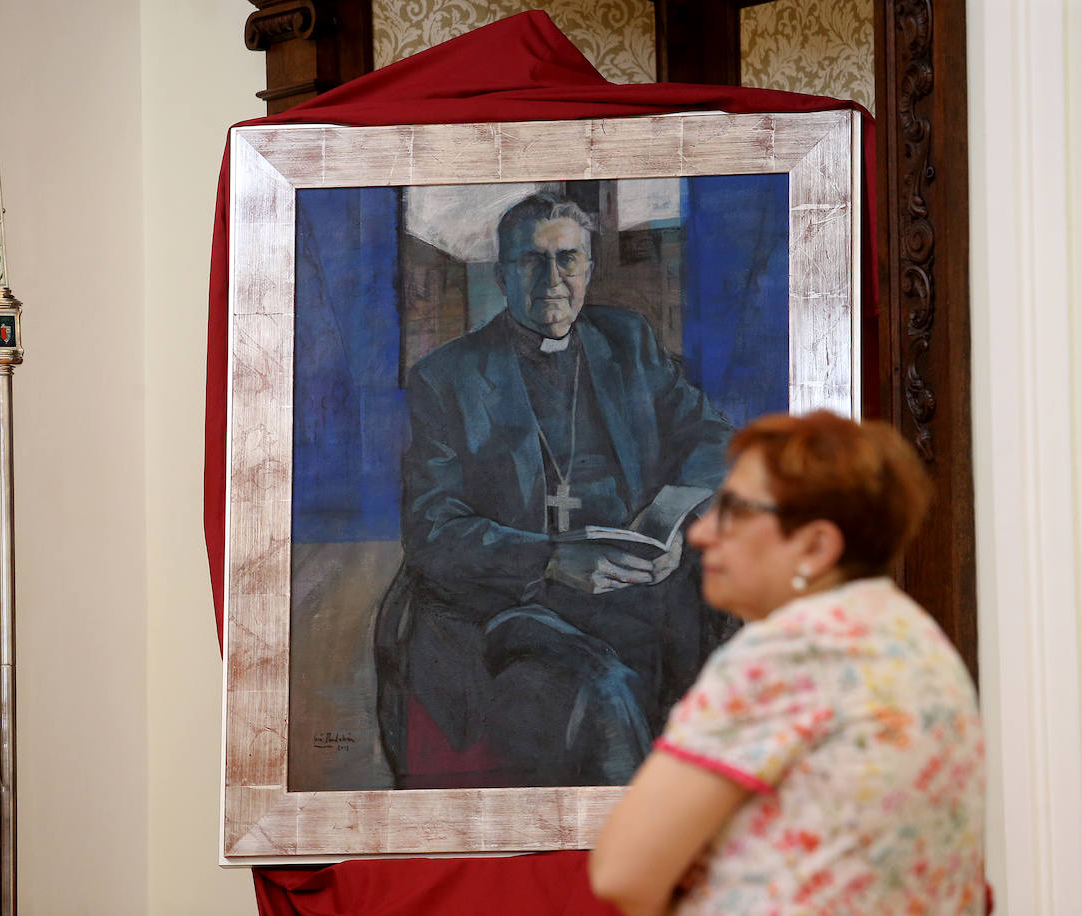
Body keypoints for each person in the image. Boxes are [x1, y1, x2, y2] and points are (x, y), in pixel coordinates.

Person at [375, 192, 734, 788]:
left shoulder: (628, 343)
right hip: (514, 603)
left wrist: (668, 518)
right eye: (530, 262)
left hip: (636, 581)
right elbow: (432, 531)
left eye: (567, 259)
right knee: (604, 692)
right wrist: (550, 560)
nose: (552, 280)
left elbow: (715, 437)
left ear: (589, 267)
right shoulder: (447, 378)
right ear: (503, 273)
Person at [590, 411, 986, 915]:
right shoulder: (917, 638)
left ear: (816, 546)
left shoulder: (790, 649)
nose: (700, 533)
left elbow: (622, 870)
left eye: (731, 509)